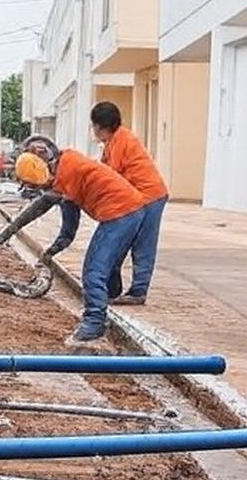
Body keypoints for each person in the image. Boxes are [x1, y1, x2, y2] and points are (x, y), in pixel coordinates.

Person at [13, 135, 148, 344]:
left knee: (93, 272)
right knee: (107, 268)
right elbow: (69, 231)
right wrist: (51, 252)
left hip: (121, 213)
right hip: (132, 210)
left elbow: (42, 209)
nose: (43, 189)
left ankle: (93, 324)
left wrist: (8, 233)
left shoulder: (67, 174)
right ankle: (109, 300)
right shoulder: (67, 166)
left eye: (41, 185)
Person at [90, 102, 169, 305]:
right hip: (138, 197)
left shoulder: (120, 142)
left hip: (150, 196)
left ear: (99, 126)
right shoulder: (114, 141)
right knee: (124, 242)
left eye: (94, 126)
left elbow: (111, 178)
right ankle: (115, 288)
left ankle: (138, 291)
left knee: (142, 244)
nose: (93, 130)